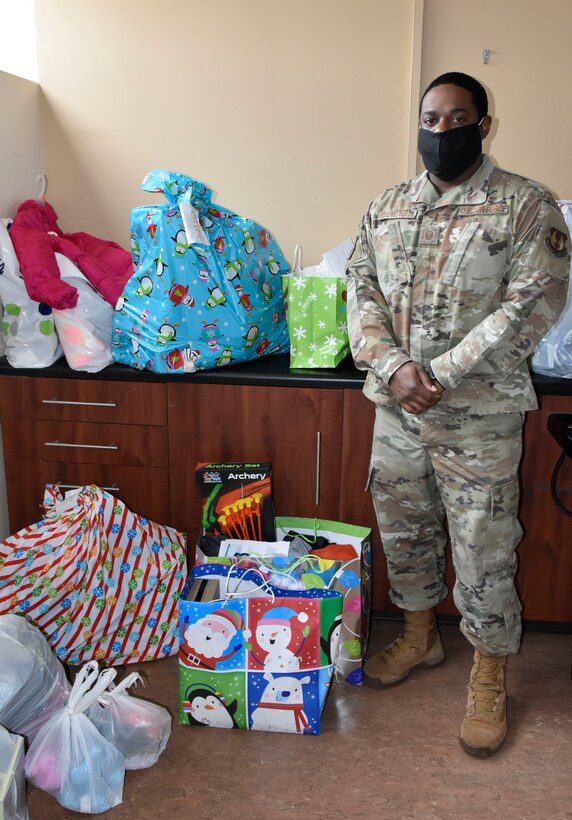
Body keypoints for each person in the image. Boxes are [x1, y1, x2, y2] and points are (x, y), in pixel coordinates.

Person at [345, 71, 570, 757]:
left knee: (483, 548)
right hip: (398, 408)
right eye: (431, 119)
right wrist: (394, 368)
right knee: (404, 528)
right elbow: (360, 293)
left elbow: (532, 305)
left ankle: (490, 672)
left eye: (456, 118)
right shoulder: (386, 208)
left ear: (484, 124)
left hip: (479, 414)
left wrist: (436, 374)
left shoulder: (525, 206)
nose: (441, 131)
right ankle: (419, 638)